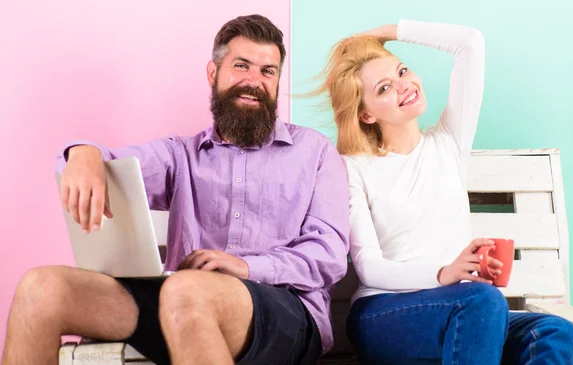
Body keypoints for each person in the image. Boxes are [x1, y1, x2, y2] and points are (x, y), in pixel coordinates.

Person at [2, 14, 350, 365]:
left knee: (188, 289)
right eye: (241, 65)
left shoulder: (316, 152)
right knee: (41, 288)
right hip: (178, 305)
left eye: (267, 71)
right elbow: (103, 163)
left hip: (285, 312)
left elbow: (329, 256)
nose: (254, 81)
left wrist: (246, 266)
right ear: (213, 73)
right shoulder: (180, 155)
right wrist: (82, 153)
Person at [314, 18, 573, 364]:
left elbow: (470, 43)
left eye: (402, 71)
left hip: (462, 307)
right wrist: (445, 272)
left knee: (557, 334)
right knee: (481, 301)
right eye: (383, 88)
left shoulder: (448, 143)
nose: (403, 85)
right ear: (365, 115)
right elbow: (369, 267)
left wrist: (383, 33)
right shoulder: (353, 166)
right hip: (383, 312)